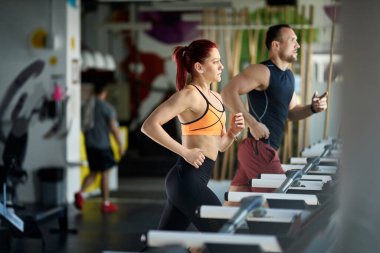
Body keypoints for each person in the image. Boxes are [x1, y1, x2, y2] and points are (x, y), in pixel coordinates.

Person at [141, 39, 244, 232]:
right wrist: (185, 152)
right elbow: (149, 126)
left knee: (161, 246)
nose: (222, 66)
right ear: (199, 67)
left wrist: (232, 133)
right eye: (215, 62)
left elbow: (220, 146)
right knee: (224, 233)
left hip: (195, 179)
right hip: (186, 179)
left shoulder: (217, 97)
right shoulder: (189, 95)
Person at [221, 24, 328, 199]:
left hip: (258, 150)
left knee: (235, 206)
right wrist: (252, 123)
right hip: (260, 149)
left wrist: (312, 108)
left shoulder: (288, 76)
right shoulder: (262, 71)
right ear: (276, 45)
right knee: (278, 203)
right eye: (292, 40)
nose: (297, 45)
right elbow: (226, 93)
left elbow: (291, 112)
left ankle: (216, 225)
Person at [74, 83, 124, 213]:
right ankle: (105, 203)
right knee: (105, 173)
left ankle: (80, 193)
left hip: (89, 145)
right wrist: (120, 144)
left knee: (94, 172)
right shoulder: (107, 108)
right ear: (104, 93)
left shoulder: (86, 106)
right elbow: (113, 128)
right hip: (102, 146)